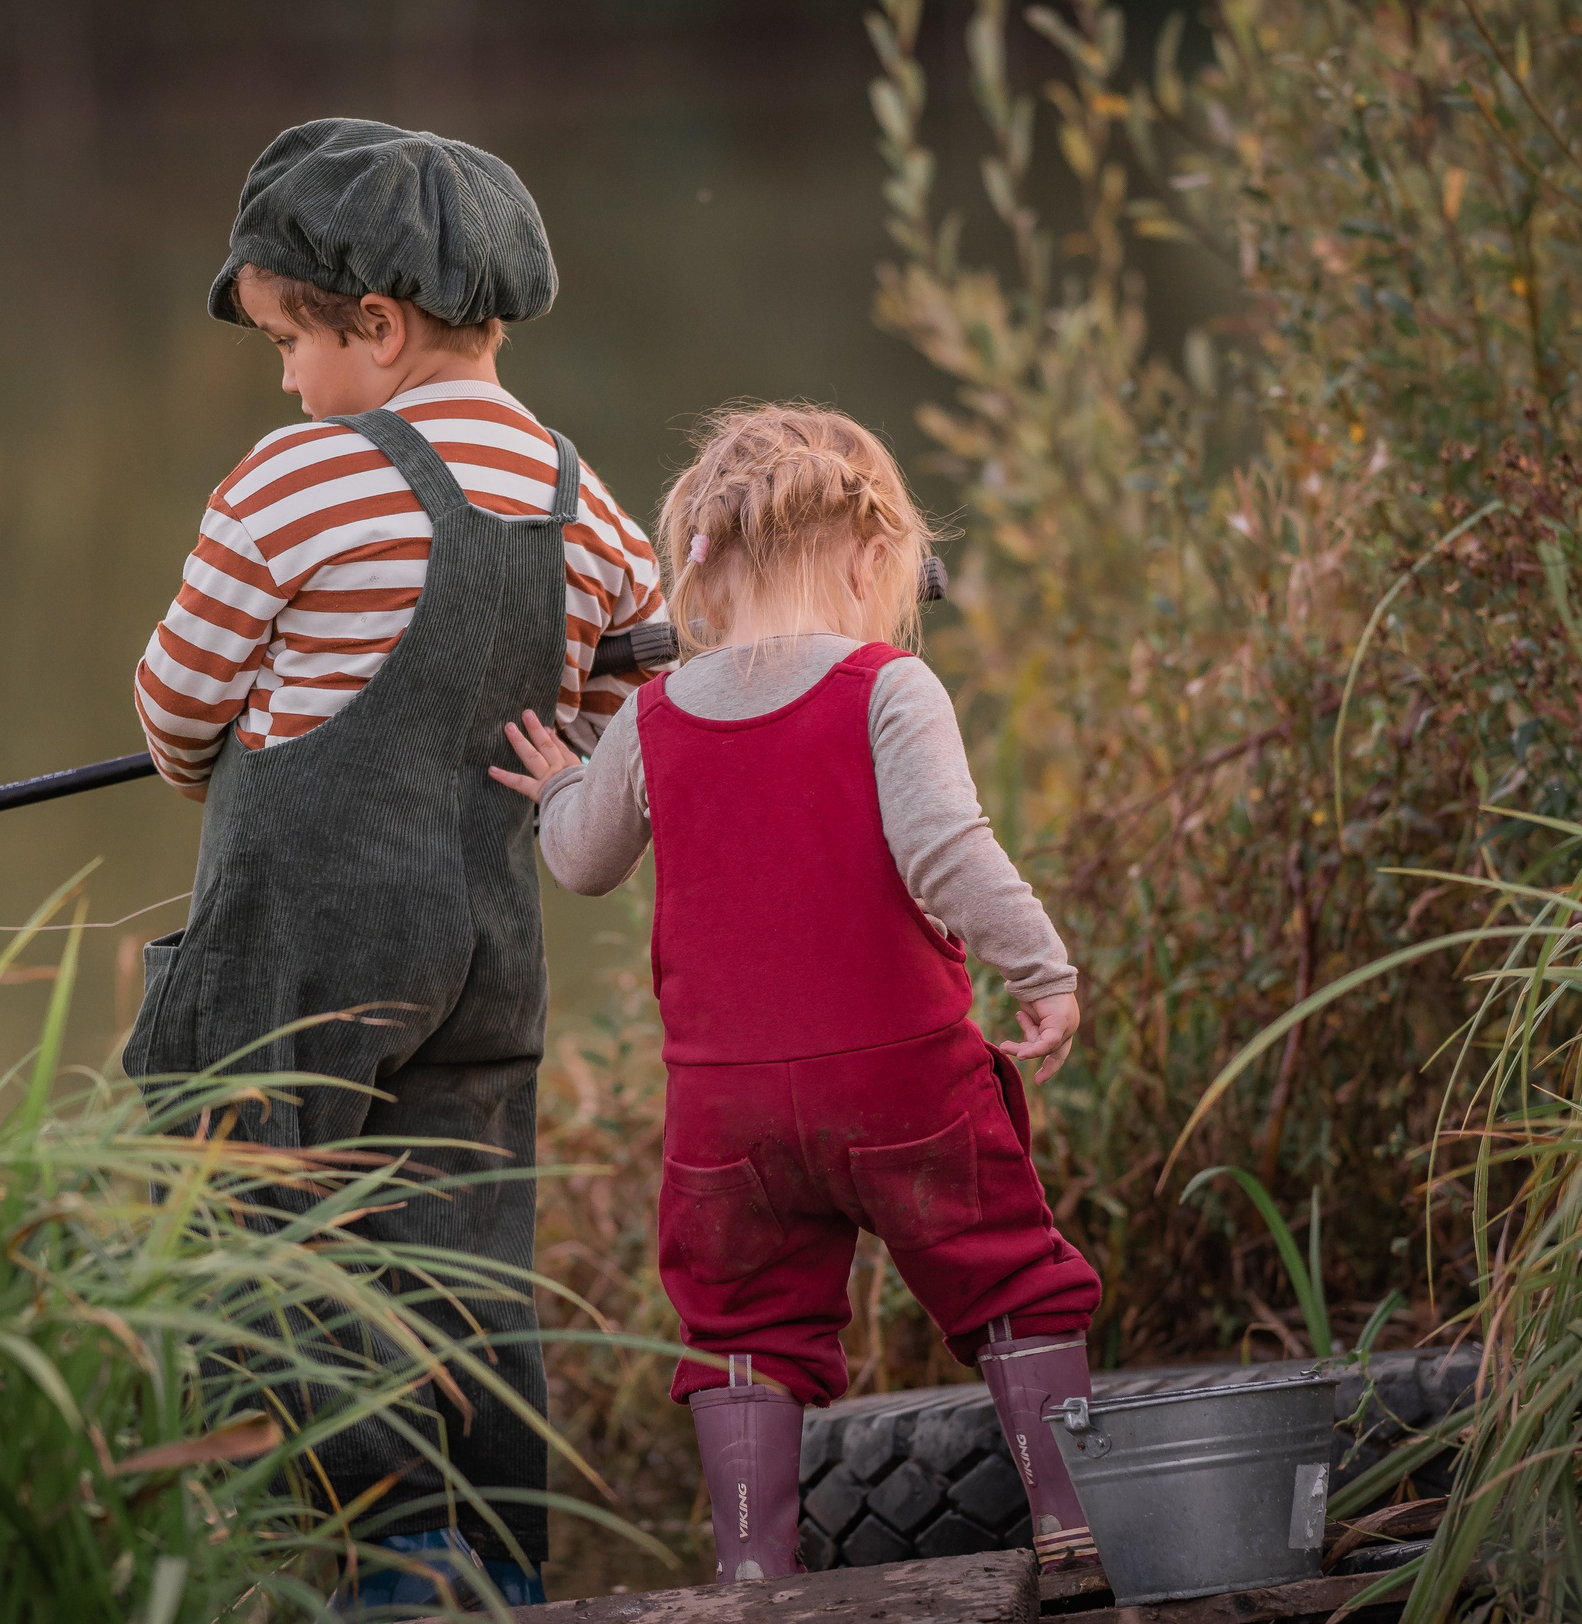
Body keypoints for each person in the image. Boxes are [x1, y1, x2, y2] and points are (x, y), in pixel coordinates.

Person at [125, 117, 663, 1610]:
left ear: (375, 325)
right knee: (464, 1254)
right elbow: (625, 701)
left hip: (304, 952)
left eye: (288, 343)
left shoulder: (291, 481)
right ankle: (503, 1559)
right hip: (485, 951)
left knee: (250, 1214)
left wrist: (245, 742)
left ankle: (398, 1554)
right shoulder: (574, 491)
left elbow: (174, 709)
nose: (285, 381)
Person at [491, 403, 1105, 1582]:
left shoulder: (654, 713)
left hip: (726, 1119)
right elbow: (948, 852)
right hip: (903, 1079)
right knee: (1006, 1272)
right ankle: (1071, 1529)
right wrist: (1041, 971)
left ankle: (752, 1578)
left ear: (702, 567)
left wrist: (566, 782)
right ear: (872, 558)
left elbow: (581, 861)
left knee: (742, 1324)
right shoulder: (887, 686)